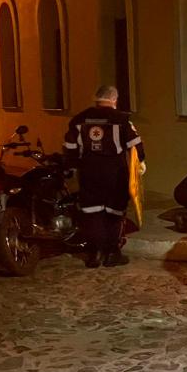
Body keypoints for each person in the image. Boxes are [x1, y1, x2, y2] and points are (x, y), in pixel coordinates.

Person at [64, 85, 145, 268]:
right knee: (114, 211)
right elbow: (135, 144)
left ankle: (95, 254)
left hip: (88, 171)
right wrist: (140, 163)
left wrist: (70, 167)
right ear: (114, 100)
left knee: (92, 211)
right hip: (114, 172)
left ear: (96, 99)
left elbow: (69, 147)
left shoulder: (79, 119)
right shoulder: (122, 119)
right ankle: (112, 253)